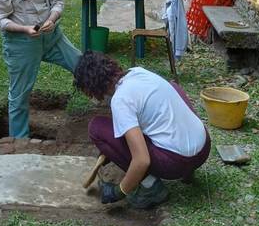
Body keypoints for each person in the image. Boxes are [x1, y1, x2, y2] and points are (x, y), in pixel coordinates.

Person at [73, 51, 210, 208]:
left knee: (96, 128)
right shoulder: (138, 72)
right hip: (203, 148)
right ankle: (188, 172)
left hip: (177, 162)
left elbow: (142, 160)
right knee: (173, 87)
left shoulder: (121, 101)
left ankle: (150, 187)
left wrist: (119, 191)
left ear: (91, 88)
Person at [0, 0, 81, 138]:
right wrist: (25, 29)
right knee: (20, 94)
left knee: (82, 64)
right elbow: (0, 20)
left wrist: (52, 18)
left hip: (52, 37)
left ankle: (102, 108)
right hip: (22, 44)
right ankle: (19, 140)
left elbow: (58, 0)